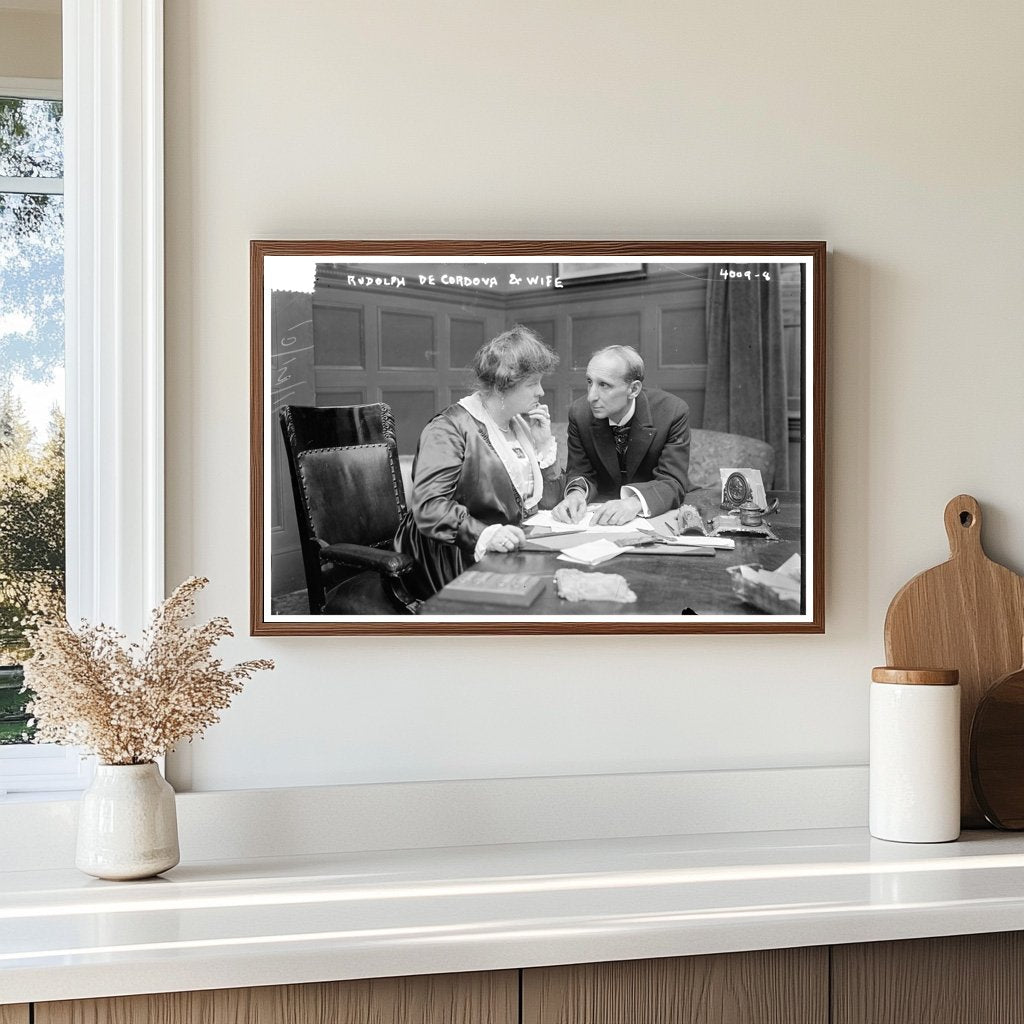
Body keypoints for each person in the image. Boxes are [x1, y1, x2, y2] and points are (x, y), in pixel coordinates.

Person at [396, 325, 562, 596]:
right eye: (533, 383)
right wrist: (487, 535)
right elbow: (429, 507)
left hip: (509, 549)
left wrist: (543, 446)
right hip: (455, 554)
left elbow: (545, 504)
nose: (541, 392)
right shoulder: (448, 429)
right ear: (501, 386)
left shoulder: (519, 425)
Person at [551, 345, 690, 526]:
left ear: (633, 389)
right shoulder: (580, 413)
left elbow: (673, 481)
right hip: (598, 519)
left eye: (604, 385)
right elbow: (580, 471)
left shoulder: (672, 412)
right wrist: (576, 494)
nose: (591, 396)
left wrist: (634, 503)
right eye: (589, 382)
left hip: (653, 514)